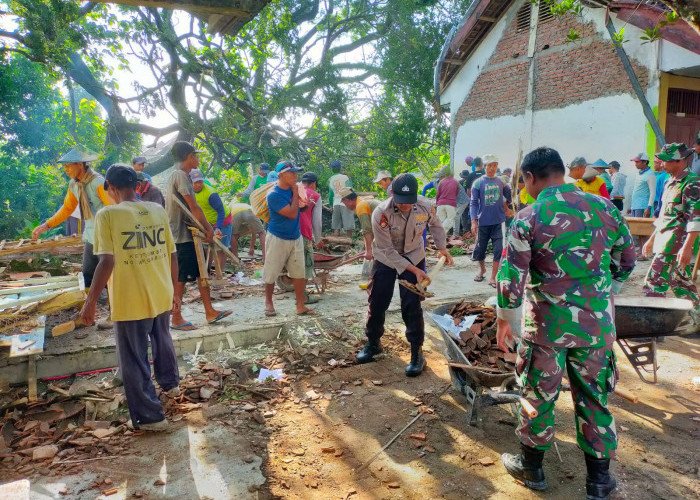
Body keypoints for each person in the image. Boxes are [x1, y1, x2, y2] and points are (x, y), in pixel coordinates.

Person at [496, 147, 635, 500]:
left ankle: (533, 470)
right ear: (563, 171)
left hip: (547, 329)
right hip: (596, 326)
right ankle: (599, 482)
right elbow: (628, 259)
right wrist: (605, 292)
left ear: (529, 178)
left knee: (539, 395)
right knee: (595, 396)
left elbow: (512, 279)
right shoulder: (605, 208)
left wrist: (504, 320)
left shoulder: (529, 215)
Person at [79, 164, 180, 432]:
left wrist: (89, 304)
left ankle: (151, 418)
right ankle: (171, 385)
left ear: (110, 187)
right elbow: (171, 254)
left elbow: (106, 262)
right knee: (162, 340)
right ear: (136, 185)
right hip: (161, 291)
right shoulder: (156, 209)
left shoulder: (107, 215)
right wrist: (174, 292)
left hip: (131, 298)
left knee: (133, 358)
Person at [355, 173, 453, 376]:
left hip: (414, 255)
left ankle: (417, 353)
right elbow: (388, 251)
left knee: (412, 305)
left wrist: (442, 247)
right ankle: (373, 343)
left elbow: (436, 225)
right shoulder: (380, 214)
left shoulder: (425, 206)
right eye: (401, 202)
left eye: (410, 202)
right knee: (377, 301)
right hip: (385, 258)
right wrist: (414, 269)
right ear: (392, 193)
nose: (406, 206)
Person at [32, 146, 113, 331]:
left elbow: (113, 207)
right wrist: (47, 225)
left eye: (68, 166)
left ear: (80, 164)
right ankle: (86, 315)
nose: (65, 169)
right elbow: (67, 208)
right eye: (65, 166)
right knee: (86, 276)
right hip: (91, 237)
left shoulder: (98, 182)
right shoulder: (74, 185)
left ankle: (113, 314)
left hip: (107, 237)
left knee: (109, 278)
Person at [165, 142, 232, 330]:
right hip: (181, 236)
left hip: (187, 235)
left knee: (202, 272)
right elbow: (194, 207)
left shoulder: (180, 176)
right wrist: (209, 230)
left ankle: (210, 311)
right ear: (190, 156)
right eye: (196, 155)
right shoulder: (181, 176)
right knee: (181, 277)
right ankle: (176, 317)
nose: (198, 159)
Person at [642, 143, 700, 318]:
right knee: (679, 282)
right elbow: (664, 217)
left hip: (678, 242)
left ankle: (652, 325)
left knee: (654, 282)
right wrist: (651, 239)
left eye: (666, 161)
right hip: (665, 238)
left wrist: (688, 247)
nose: (662, 164)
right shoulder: (670, 182)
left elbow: (696, 218)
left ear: (679, 161)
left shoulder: (692, 183)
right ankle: (697, 319)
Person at [263, 161, 315, 317]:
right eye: (291, 172)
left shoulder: (295, 189)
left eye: (295, 172)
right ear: (280, 175)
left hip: (295, 236)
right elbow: (292, 213)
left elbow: (298, 209)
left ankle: (300, 305)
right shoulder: (274, 195)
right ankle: (268, 302)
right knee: (271, 272)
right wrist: (294, 193)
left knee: (299, 273)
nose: (295, 175)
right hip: (277, 237)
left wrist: (305, 205)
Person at [470, 154, 512, 287]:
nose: (492, 168)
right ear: (484, 167)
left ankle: (493, 277)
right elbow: (473, 203)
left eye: (494, 165)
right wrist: (473, 221)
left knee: (498, 250)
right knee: (480, 250)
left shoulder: (501, 182)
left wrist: (513, 189)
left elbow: (508, 197)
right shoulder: (478, 183)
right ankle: (482, 270)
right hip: (483, 222)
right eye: (489, 166)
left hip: (498, 222)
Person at [191, 169, 232, 272]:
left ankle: (219, 275)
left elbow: (221, 211)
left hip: (223, 221)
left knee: (220, 249)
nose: (198, 185)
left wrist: (218, 227)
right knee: (206, 247)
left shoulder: (211, 193)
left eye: (200, 181)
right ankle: (206, 272)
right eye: (195, 182)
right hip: (207, 222)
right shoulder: (189, 192)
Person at [340, 187, 380, 268]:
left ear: (348, 200)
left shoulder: (361, 206)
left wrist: (369, 251)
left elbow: (367, 230)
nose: (346, 206)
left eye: (345, 203)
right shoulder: (363, 200)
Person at [299, 172, 322, 304]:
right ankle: (302, 297)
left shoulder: (293, 190)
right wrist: (318, 240)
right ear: (313, 184)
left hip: (286, 233)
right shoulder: (315, 195)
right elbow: (317, 222)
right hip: (303, 233)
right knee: (306, 264)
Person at [328, 160, 354, 237]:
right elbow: (350, 189)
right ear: (340, 168)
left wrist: (330, 205)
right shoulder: (345, 177)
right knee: (348, 225)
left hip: (336, 203)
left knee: (336, 226)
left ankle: (335, 242)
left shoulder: (331, 179)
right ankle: (349, 242)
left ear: (332, 169)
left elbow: (331, 194)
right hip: (345, 203)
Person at [628, 153, 656, 218]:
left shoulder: (650, 175)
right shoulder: (639, 173)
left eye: (637, 162)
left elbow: (653, 193)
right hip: (634, 206)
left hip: (642, 206)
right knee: (633, 226)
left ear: (645, 162)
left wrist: (649, 208)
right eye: (635, 162)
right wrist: (631, 206)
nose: (635, 164)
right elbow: (636, 190)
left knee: (640, 227)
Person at [435, 167, 459, 235]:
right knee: (450, 220)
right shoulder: (455, 182)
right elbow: (456, 194)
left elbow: (438, 194)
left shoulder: (441, 182)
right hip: (451, 204)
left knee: (440, 221)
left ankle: (439, 237)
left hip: (440, 203)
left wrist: (437, 203)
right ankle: (441, 235)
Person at [458, 169, 472, 234]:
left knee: (464, 215)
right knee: (471, 214)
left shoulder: (459, 182)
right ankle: (468, 229)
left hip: (462, 201)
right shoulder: (472, 181)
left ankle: (465, 229)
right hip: (470, 200)